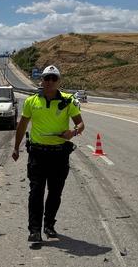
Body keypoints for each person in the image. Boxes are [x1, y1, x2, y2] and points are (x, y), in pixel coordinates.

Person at [12, 65, 85, 243]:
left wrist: (72, 133)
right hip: (38, 153)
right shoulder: (31, 101)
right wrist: (16, 147)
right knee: (36, 192)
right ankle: (34, 230)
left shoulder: (69, 100)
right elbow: (22, 125)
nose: (50, 82)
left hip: (59, 154)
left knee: (55, 193)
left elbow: (81, 124)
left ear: (59, 81)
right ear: (41, 80)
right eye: (47, 78)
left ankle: (49, 225)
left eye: (54, 78)